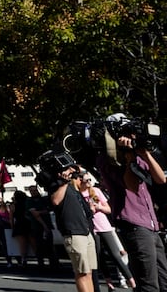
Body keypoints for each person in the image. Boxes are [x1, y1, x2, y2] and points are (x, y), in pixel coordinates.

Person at [97, 120, 167, 292]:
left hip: (151, 225)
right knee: (148, 285)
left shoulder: (138, 154)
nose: (134, 136)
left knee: (164, 281)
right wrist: (129, 158)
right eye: (130, 132)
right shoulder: (109, 160)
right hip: (135, 225)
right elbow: (132, 186)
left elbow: (161, 179)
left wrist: (145, 153)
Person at [78, 171, 136, 290]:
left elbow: (109, 209)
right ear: (81, 181)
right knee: (99, 257)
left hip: (104, 226)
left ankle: (132, 281)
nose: (89, 182)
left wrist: (98, 207)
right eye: (86, 180)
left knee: (115, 254)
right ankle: (109, 282)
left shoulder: (96, 191)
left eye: (90, 180)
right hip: (91, 228)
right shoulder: (78, 194)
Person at [51, 166, 96, 292]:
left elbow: (88, 212)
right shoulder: (58, 185)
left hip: (86, 233)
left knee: (89, 272)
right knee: (82, 272)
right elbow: (55, 201)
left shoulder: (76, 191)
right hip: (74, 233)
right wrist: (64, 182)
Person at [10, 190, 34, 266]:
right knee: (33, 242)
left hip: (19, 224)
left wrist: (12, 227)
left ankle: (24, 259)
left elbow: (11, 219)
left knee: (22, 244)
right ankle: (39, 258)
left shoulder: (13, 206)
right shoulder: (27, 203)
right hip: (28, 223)